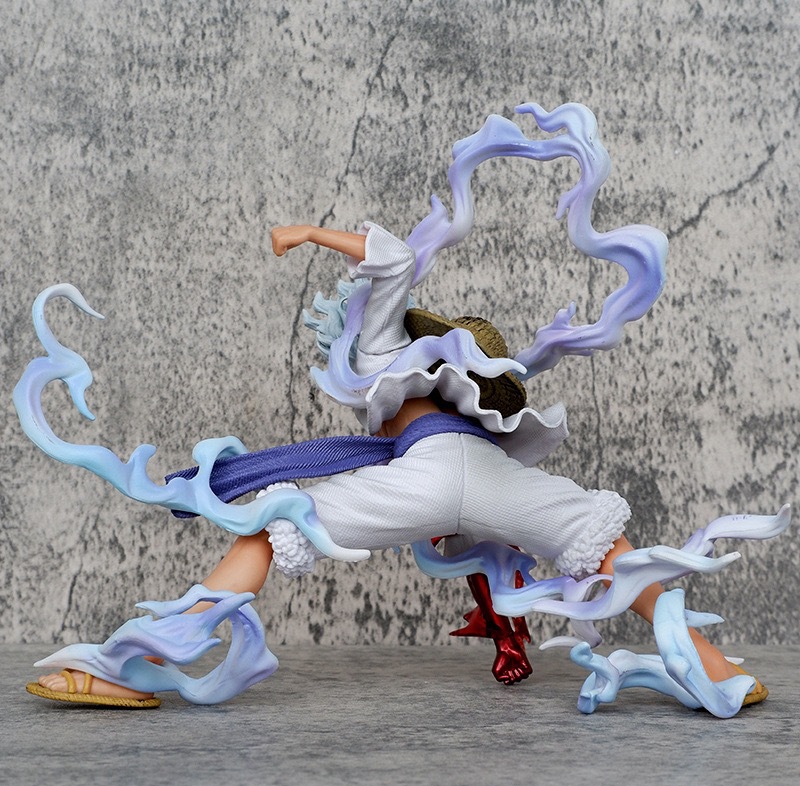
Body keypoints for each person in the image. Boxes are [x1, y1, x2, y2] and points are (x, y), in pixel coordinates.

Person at [18, 100, 788, 717]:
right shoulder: (467, 407)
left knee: (272, 527)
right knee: (603, 542)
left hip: (424, 475)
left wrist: (309, 232)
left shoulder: (387, 350)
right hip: (488, 482)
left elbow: (390, 259)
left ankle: (128, 663)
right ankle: (713, 669)